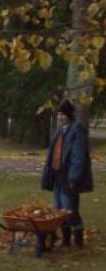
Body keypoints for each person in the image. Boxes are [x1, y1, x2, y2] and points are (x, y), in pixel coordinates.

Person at [41, 99, 93, 248]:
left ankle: (78, 239)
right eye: (59, 114)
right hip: (57, 174)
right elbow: (53, 153)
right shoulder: (59, 130)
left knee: (69, 209)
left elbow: (78, 157)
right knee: (59, 209)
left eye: (63, 114)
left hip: (68, 176)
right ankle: (65, 239)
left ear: (69, 115)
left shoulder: (77, 130)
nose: (60, 117)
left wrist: (74, 178)